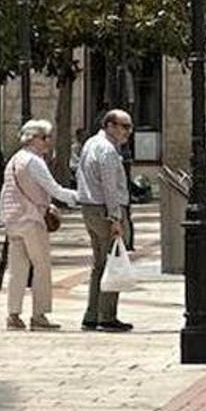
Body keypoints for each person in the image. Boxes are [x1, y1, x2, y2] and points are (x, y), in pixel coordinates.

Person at [0, 119, 79, 331]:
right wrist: (80, 197)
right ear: (33, 138)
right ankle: (39, 315)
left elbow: (6, 191)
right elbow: (54, 189)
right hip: (32, 219)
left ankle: (13, 315)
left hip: (13, 219)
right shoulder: (34, 161)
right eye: (44, 137)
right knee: (42, 266)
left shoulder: (15, 159)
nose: (48, 142)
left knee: (18, 269)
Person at [75, 109, 134, 332]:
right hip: (104, 211)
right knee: (112, 262)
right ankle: (106, 316)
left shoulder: (91, 143)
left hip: (90, 209)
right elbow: (109, 187)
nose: (128, 132)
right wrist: (116, 217)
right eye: (124, 126)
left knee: (99, 264)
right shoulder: (107, 150)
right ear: (110, 125)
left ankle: (92, 314)